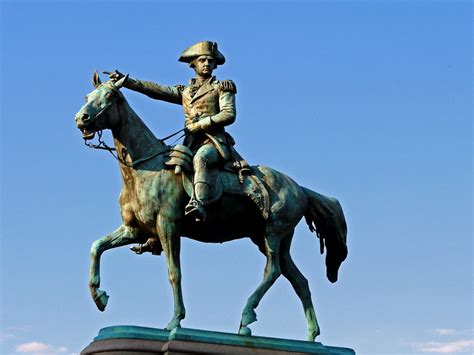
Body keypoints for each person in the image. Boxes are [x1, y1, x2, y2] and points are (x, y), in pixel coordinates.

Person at [107, 41, 238, 222]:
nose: (207, 64)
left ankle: (198, 203)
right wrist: (128, 82)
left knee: (201, 159)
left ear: (216, 65)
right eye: (202, 60)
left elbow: (228, 114)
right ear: (193, 64)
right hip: (190, 142)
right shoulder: (185, 91)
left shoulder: (221, 87)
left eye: (210, 61)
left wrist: (201, 125)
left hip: (213, 142)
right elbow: (156, 91)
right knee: (166, 169)